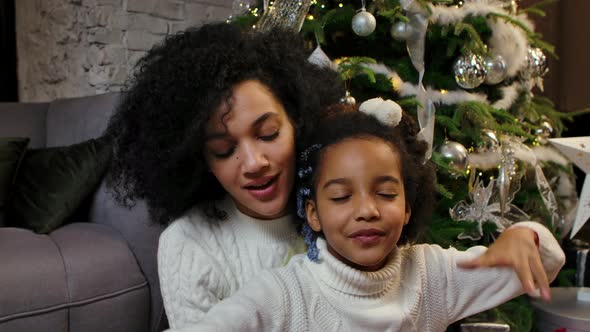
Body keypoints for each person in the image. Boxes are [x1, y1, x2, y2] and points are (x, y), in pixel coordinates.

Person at [105, 22, 560, 330]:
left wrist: (524, 238)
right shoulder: (195, 248)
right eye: (224, 150)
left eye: (268, 134)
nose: (254, 162)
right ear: (195, 159)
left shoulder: (397, 259)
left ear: (298, 119)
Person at [165, 101, 565, 331]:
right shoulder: (285, 293)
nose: (367, 211)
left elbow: (548, 262)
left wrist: (523, 236)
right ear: (314, 214)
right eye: (340, 197)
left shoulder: (433, 274)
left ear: (408, 206)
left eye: (386, 193)